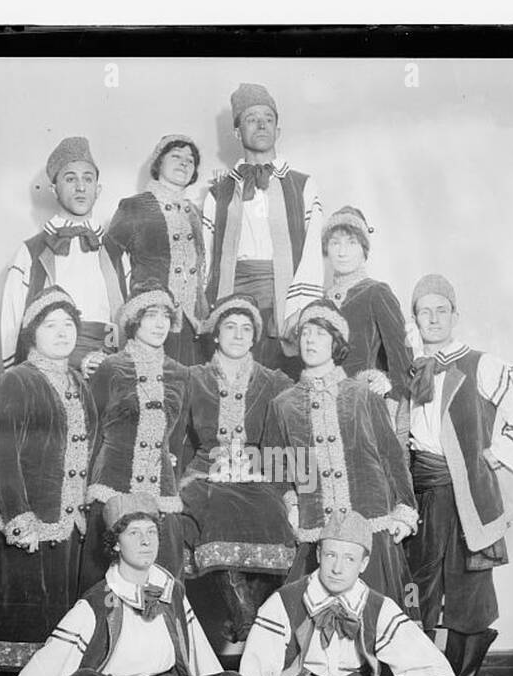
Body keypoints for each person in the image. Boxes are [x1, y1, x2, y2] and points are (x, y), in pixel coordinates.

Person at [0, 494, 255, 676]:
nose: (146, 541)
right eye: (134, 533)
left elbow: (200, 656)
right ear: (116, 543)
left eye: (151, 532)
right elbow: (50, 664)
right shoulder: (97, 600)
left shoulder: (173, 591)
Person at [404, 274, 513, 676]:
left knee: (471, 592)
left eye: (441, 310)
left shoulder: (480, 364)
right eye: (423, 311)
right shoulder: (409, 368)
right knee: (417, 590)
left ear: (455, 315)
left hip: (470, 497)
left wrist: (502, 451)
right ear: (413, 318)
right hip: (421, 494)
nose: (432, 319)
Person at [236, 511, 467, 676]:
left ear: (364, 564)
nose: (337, 568)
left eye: (349, 559)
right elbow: (255, 670)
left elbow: (426, 660)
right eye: (330, 555)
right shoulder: (284, 601)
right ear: (318, 555)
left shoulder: (378, 606)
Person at [0, 286, 97, 673]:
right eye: (51, 325)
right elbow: (2, 457)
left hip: (67, 529)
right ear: (32, 333)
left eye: (69, 324)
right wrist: (20, 517)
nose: (63, 332)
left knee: (57, 634)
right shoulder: (17, 380)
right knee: (17, 629)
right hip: (24, 528)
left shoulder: (80, 385)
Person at [264, 298, 418, 609]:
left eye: (320, 334)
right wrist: (291, 505)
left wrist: (405, 508)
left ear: (336, 343)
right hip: (315, 527)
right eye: (305, 333)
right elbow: (275, 471)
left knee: (377, 618)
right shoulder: (282, 405)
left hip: (371, 523)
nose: (310, 340)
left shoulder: (363, 394)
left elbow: (391, 456)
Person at [179, 293, 295, 642]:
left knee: (272, 513)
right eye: (230, 327)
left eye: (247, 328)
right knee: (218, 507)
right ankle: (243, 615)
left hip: (255, 473)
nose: (239, 335)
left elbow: (298, 415)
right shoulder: (192, 377)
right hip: (205, 473)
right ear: (216, 334)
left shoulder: (273, 381)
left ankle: (258, 617)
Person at [202, 83, 324, 379]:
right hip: (235, 306)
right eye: (251, 119)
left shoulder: (302, 185)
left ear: (277, 131)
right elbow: (205, 260)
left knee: (281, 391)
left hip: (284, 307)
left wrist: (299, 311)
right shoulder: (218, 192)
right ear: (237, 132)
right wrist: (211, 313)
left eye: (268, 119)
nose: (261, 125)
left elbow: (311, 256)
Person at [79, 282, 191, 591]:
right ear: (134, 320)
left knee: (164, 580)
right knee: (103, 584)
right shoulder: (111, 368)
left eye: (166, 316)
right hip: (113, 485)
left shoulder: (181, 373)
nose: (159, 324)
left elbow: (178, 438)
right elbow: (91, 431)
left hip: (161, 490)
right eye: (150, 315)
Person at [0, 136, 123, 371]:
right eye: (70, 179)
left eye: (88, 178)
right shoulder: (30, 252)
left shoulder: (116, 251)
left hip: (109, 364)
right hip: (50, 367)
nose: (80, 187)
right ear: (54, 190)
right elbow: (12, 323)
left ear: (98, 189)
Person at [102, 133, 210, 367]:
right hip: (150, 323)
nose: (184, 162)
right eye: (176, 156)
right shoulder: (135, 205)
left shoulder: (196, 213)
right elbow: (107, 259)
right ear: (158, 162)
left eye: (190, 160)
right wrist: (122, 311)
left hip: (193, 328)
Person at [322, 205, 414, 439]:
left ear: (364, 249)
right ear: (326, 249)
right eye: (335, 243)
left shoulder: (376, 292)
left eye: (351, 242)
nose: (342, 252)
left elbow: (402, 360)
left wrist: (390, 398)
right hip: (325, 411)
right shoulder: (320, 301)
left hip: (366, 410)